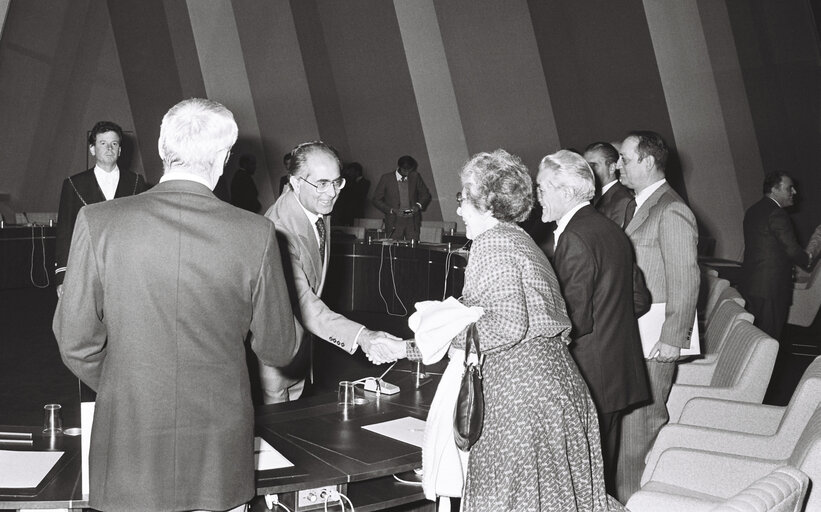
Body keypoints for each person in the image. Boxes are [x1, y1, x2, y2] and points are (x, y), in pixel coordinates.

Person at [53, 98, 298, 512]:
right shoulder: (256, 233)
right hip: (218, 452)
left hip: (128, 443)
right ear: (222, 158)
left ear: (164, 147)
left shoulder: (98, 222)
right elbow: (279, 348)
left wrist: (126, 384)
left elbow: (75, 341)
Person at [403, 149, 618, 511]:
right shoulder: (521, 240)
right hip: (554, 387)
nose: (458, 210)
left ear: (486, 203)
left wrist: (439, 337)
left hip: (520, 398)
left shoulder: (492, 243)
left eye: (463, 199)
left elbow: (506, 324)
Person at [537, 149, 650, 494]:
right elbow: (638, 299)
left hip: (589, 376)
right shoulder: (611, 230)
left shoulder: (575, 238)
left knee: (581, 483)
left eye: (542, 188)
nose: (537, 196)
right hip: (615, 373)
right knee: (599, 478)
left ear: (566, 191)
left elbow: (572, 321)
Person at [261, 141, 403, 404]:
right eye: (322, 183)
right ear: (295, 182)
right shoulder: (278, 230)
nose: (331, 193)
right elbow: (303, 302)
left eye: (337, 182)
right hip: (278, 350)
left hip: (303, 342)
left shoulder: (316, 206)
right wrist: (363, 337)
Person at [615, 130, 699, 503]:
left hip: (655, 341)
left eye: (626, 159)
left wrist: (673, 339)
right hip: (635, 336)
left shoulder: (671, 209)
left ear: (648, 162)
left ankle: (632, 502)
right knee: (629, 432)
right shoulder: (637, 205)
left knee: (638, 432)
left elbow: (685, 279)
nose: (619, 166)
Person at [740, 172, 812, 402]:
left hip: (752, 285)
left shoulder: (753, 210)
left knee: (755, 340)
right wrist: (808, 258)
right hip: (771, 289)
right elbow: (793, 251)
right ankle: (765, 395)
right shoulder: (777, 213)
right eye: (789, 188)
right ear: (775, 189)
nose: (794, 192)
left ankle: (747, 388)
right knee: (770, 342)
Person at [55, 120, 148, 297]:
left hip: (126, 268)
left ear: (120, 150)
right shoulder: (74, 184)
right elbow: (65, 232)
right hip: (86, 267)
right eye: (103, 143)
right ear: (92, 149)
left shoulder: (136, 182)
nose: (109, 148)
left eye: (114, 144)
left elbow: (141, 229)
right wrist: (62, 275)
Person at [372, 155, 432, 240]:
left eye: (410, 170)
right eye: (405, 170)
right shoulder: (386, 178)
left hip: (412, 221)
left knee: (413, 249)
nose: (408, 173)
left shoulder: (415, 176)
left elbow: (425, 194)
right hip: (394, 221)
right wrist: (391, 210)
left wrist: (418, 206)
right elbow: (376, 199)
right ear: (399, 167)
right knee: (393, 250)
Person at [584, 141, 634, 227]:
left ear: (612, 168)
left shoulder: (622, 200)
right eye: (585, 167)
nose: (588, 172)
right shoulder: (590, 197)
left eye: (593, 166)